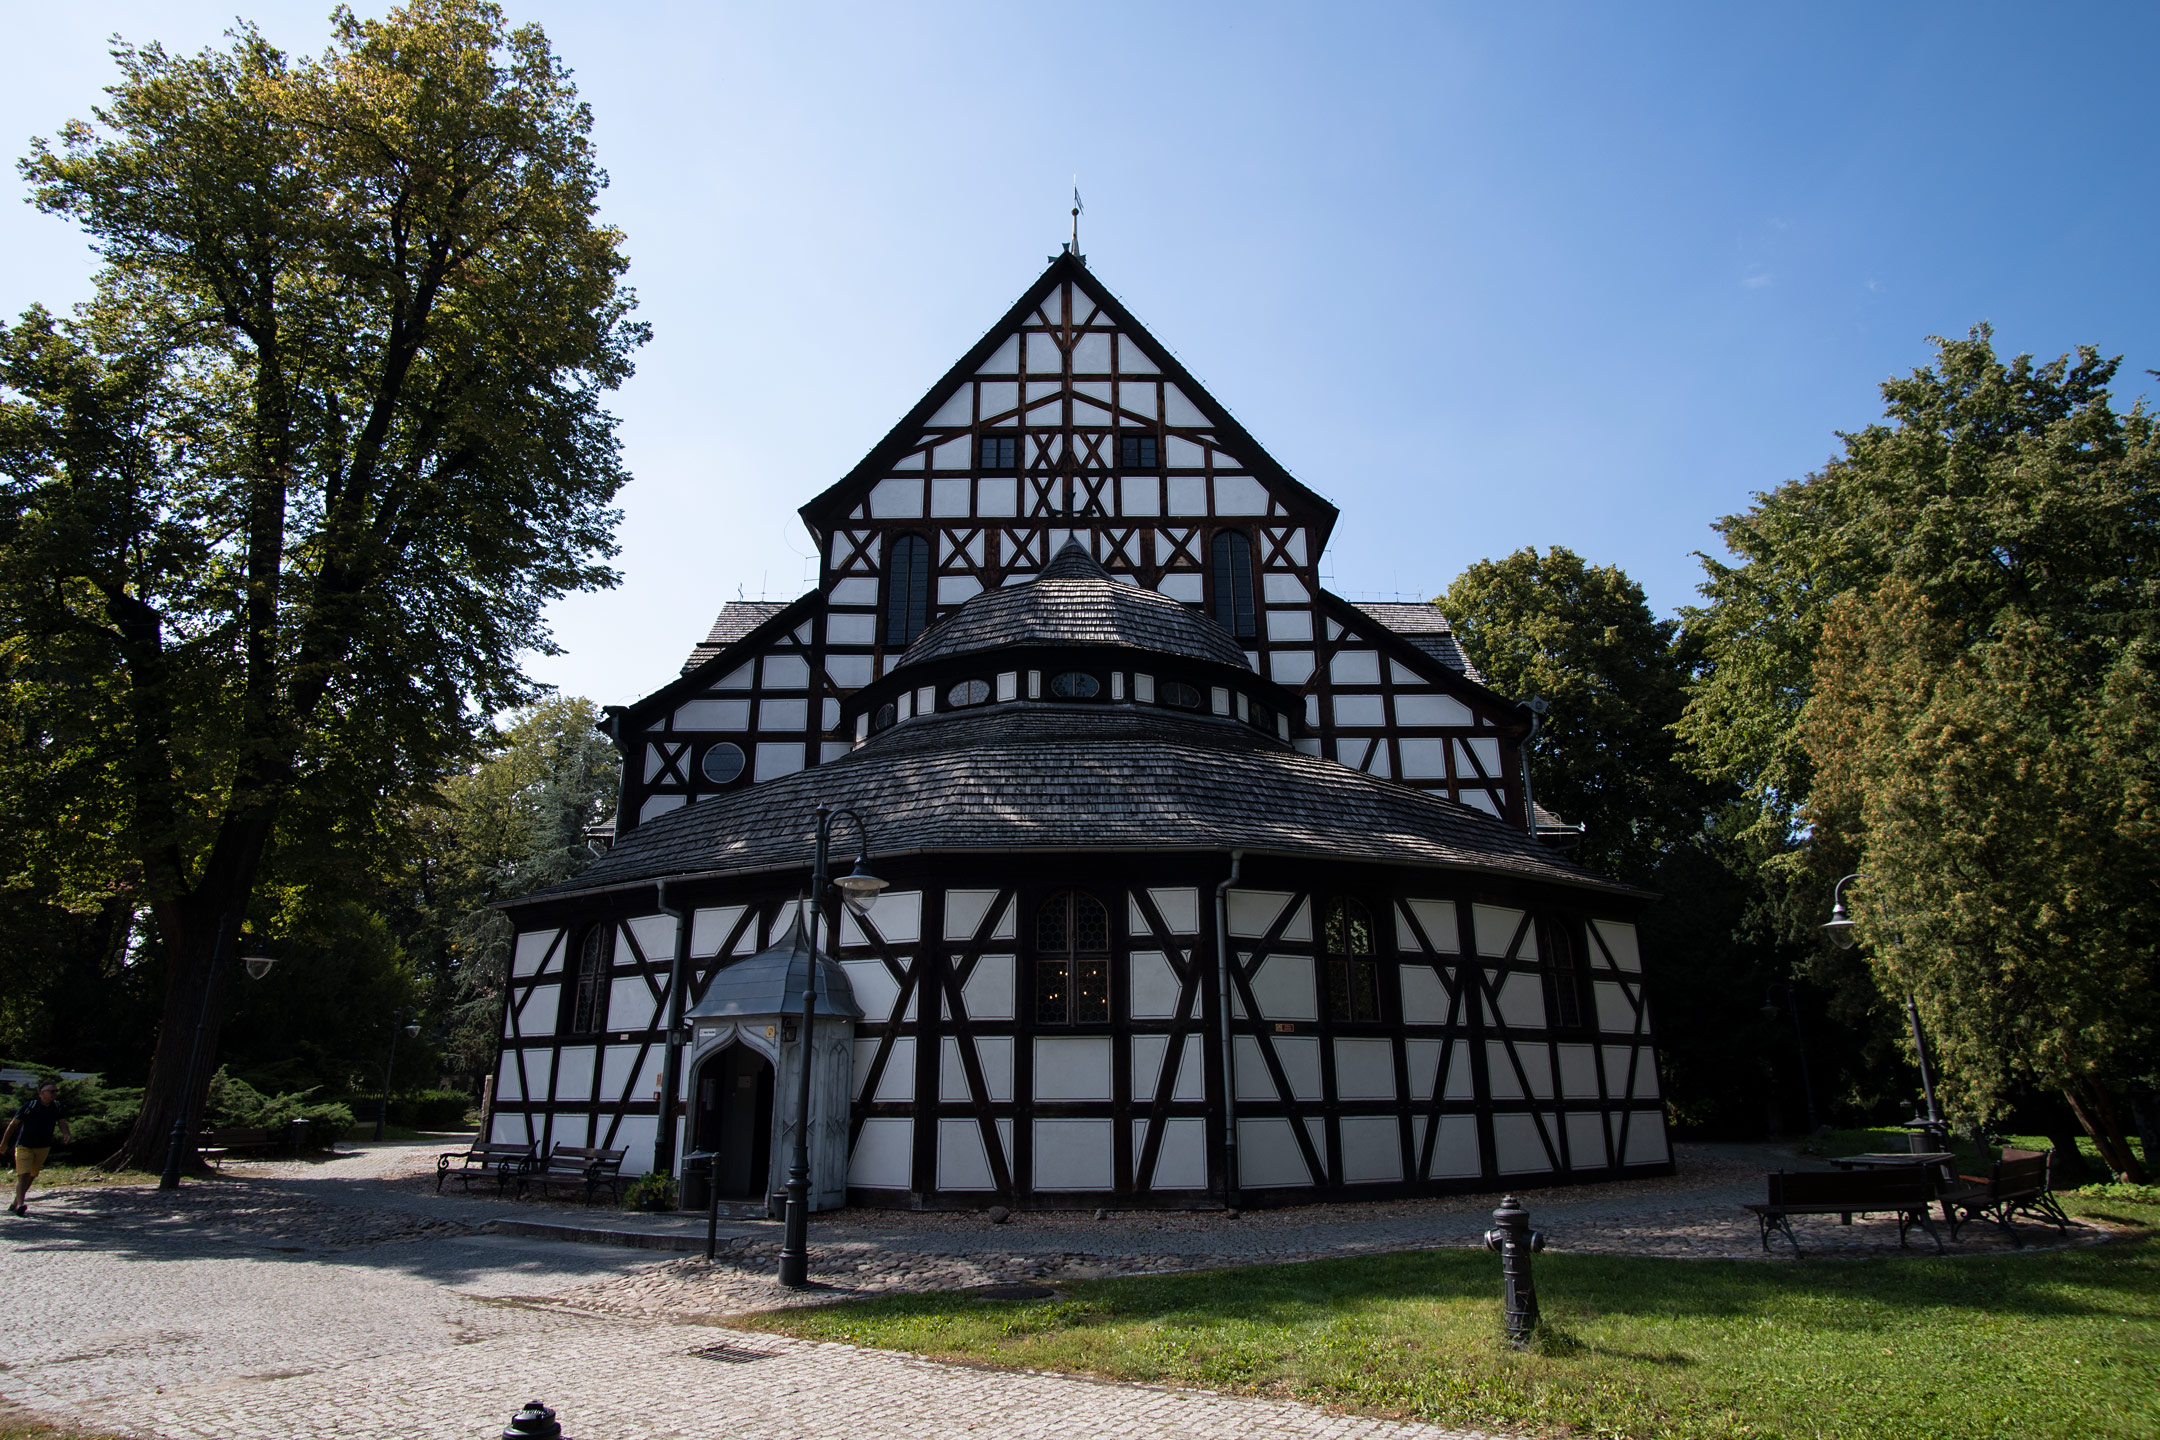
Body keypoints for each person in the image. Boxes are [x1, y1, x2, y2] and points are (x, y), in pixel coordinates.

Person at [3, 1080, 71, 1216]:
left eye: (56, 1091)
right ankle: (21, 1205)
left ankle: (16, 1202)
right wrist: (4, 1142)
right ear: (41, 1093)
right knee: (24, 1174)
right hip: (24, 1146)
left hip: (43, 1147)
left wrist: (66, 1133)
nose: (54, 1094)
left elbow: (61, 1122)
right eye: (51, 1091)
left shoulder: (57, 1106)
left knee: (32, 1176)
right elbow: (13, 1125)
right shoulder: (30, 1106)